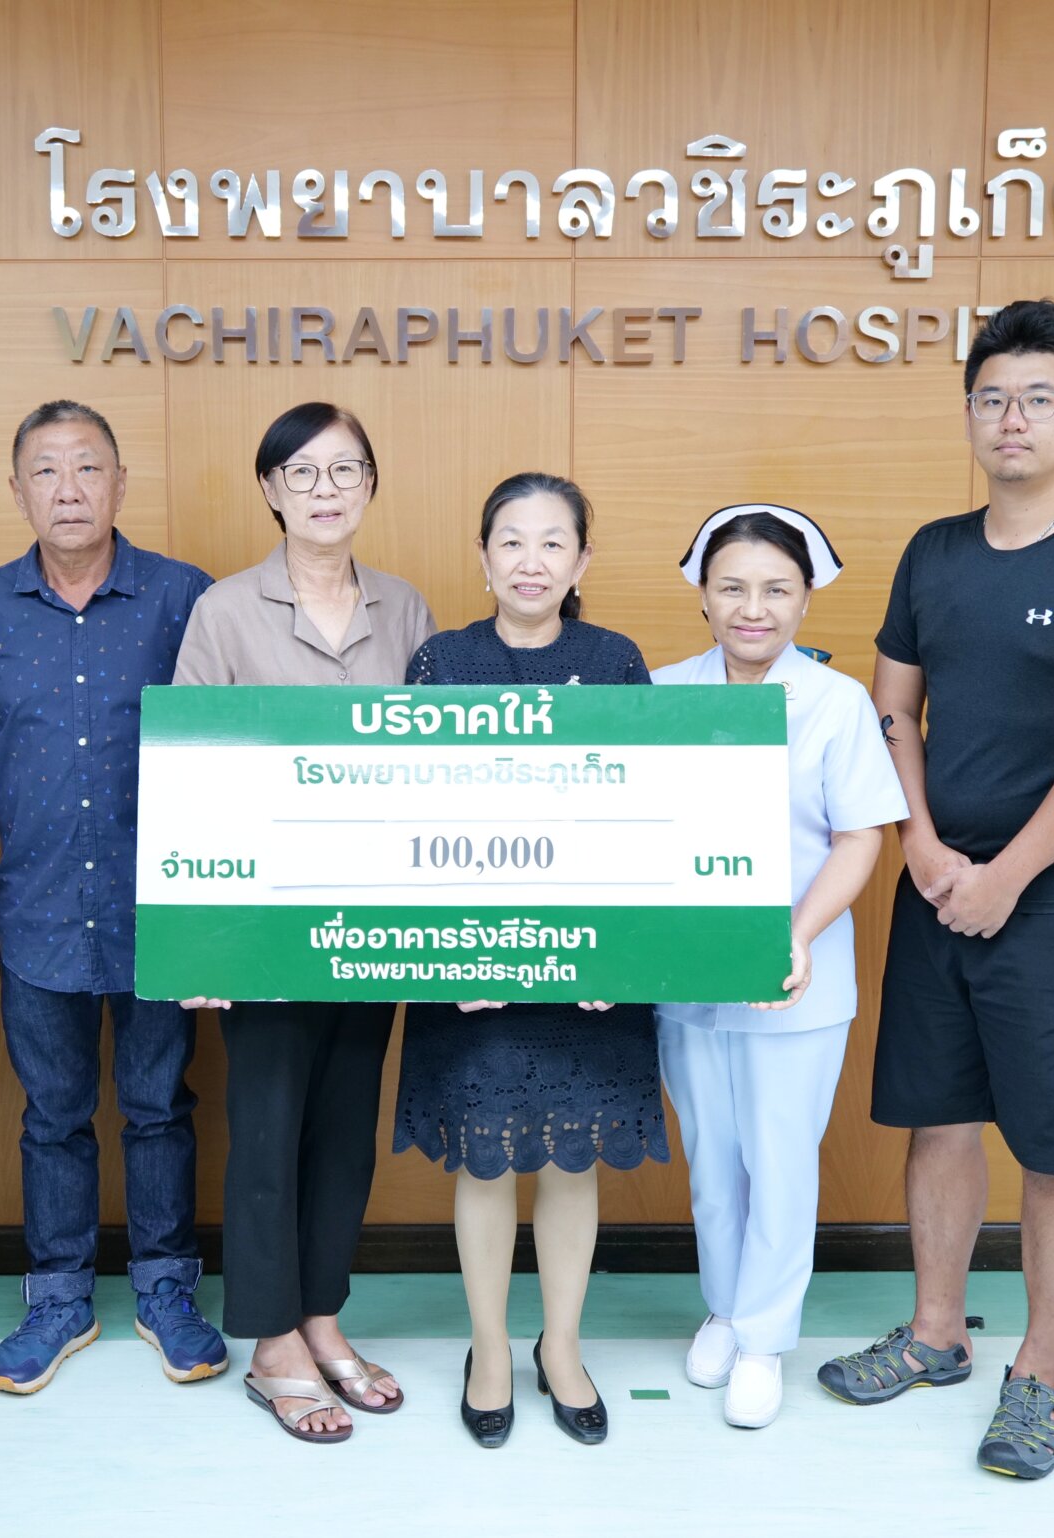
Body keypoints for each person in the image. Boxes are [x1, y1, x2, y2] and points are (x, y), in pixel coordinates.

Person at [817, 300, 1054, 1480]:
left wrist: (1006, 876)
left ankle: (1039, 1368)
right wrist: (923, 847)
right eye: (989, 398)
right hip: (939, 886)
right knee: (938, 1116)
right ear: (968, 414)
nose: (1010, 418)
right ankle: (934, 1332)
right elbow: (891, 708)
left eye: (1036, 398)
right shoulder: (933, 551)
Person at [0, 400, 228, 1393]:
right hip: (42, 904)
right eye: (47, 471)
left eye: (88, 467)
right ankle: (57, 1299)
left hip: (162, 903)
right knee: (51, 1114)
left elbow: (222, 738)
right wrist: (48, 799)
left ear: (120, 483)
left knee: (159, 1105)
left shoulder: (184, 596)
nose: (68, 489)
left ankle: (165, 1289)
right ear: (18, 489)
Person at [173, 402, 435, 1443]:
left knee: (343, 1132)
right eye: (302, 472)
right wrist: (199, 936)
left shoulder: (406, 607)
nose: (325, 490)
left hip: (374, 918)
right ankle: (271, 1343)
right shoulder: (224, 609)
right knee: (268, 1130)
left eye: (345, 470)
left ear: (370, 485)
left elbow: (437, 764)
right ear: (270, 488)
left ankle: (322, 1316)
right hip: (262, 923)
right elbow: (192, 772)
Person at [392, 472, 669, 1449]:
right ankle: (488, 1348)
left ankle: (561, 1345)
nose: (530, 561)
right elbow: (408, 817)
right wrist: (455, 955)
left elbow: (646, 813)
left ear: (582, 560)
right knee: (485, 1161)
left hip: (587, 973)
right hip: (473, 973)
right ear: (482, 556)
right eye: (511, 540)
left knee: (568, 1156)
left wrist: (609, 954)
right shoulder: (441, 660)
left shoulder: (615, 660)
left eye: (553, 542)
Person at [653, 505, 906, 1429]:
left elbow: (860, 836)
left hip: (797, 974)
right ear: (703, 594)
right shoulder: (660, 691)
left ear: (805, 599)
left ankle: (764, 1337)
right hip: (687, 975)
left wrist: (795, 936)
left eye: (775, 590)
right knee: (712, 1159)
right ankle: (725, 1307)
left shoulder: (834, 702)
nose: (752, 608)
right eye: (732, 588)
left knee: (780, 1158)